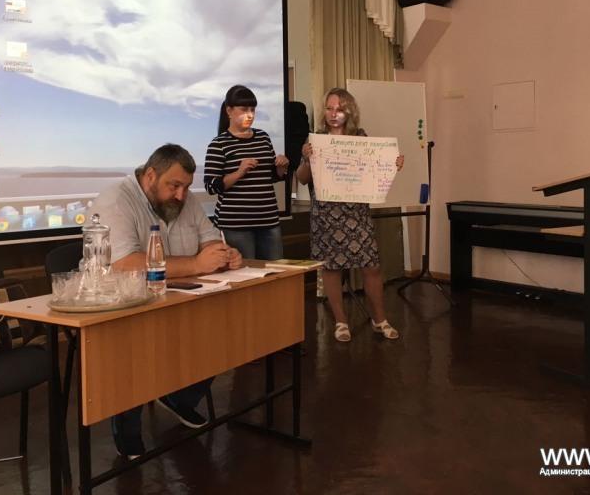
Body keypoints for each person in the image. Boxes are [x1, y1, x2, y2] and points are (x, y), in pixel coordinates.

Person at [90, 143, 242, 459]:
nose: (181, 195)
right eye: (174, 186)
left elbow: (210, 239)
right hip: (127, 307)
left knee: (227, 330)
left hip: (180, 298)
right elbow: (125, 265)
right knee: (138, 347)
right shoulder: (116, 200)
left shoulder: (184, 199)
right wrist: (197, 264)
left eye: (186, 187)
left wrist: (224, 255)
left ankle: (179, 398)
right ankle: (127, 424)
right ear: (150, 175)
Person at [296, 87, 404, 342]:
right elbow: (301, 178)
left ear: (350, 112)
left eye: (340, 109)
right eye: (329, 108)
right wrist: (306, 159)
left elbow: (376, 169)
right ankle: (341, 322)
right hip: (326, 215)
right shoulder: (316, 139)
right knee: (331, 268)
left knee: (371, 266)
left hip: (357, 213)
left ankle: (380, 319)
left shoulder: (360, 137)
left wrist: (393, 164)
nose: (334, 114)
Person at [203, 85, 289, 260]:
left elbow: (270, 177)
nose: (250, 114)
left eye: (252, 109)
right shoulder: (219, 144)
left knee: (276, 271)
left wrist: (281, 168)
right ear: (229, 111)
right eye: (244, 109)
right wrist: (239, 172)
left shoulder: (263, 137)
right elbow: (211, 186)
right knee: (244, 272)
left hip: (268, 221)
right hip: (235, 225)